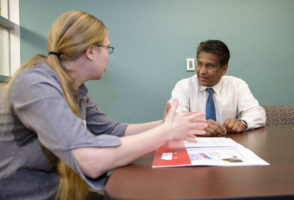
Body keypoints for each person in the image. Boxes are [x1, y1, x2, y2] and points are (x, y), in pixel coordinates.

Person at [0, 11, 207, 200]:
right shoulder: (35, 84)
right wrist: (164, 134)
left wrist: (164, 125)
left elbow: (113, 131)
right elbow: (90, 160)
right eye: (107, 48)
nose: (108, 55)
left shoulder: (75, 89)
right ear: (91, 52)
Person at [169, 40, 266, 137]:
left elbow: (257, 112)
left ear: (224, 69)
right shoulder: (183, 86)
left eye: (210, 66)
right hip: (193, 143)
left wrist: (243, 123)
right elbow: (173, 118)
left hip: (229, 144)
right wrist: (196, 126)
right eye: (199, 64)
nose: (202, 71)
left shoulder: (237, 85)